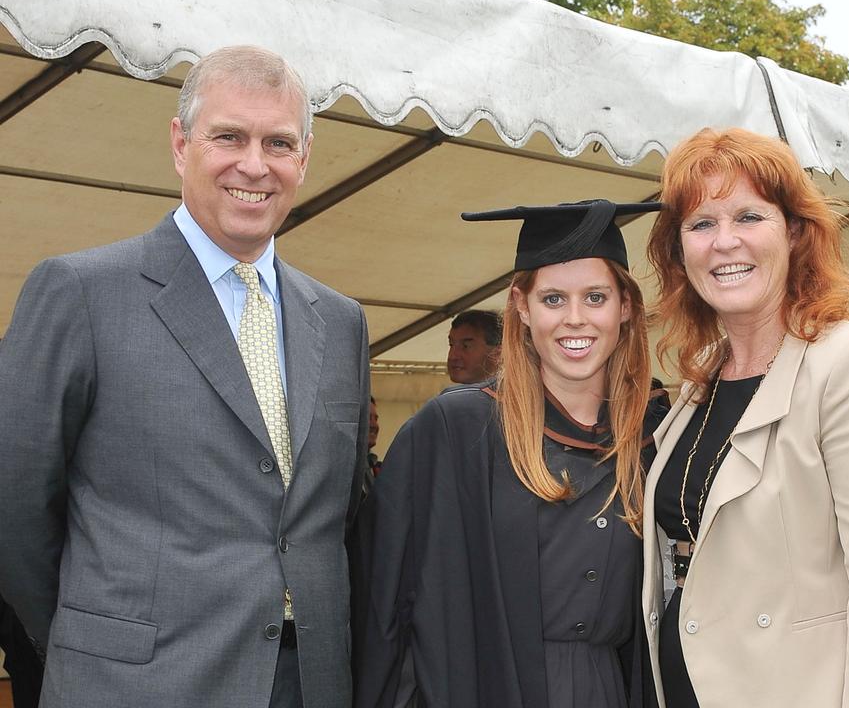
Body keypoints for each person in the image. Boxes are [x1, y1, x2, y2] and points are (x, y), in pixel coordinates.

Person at [0, 45, 369, 708]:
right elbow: (14, 503)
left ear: (305, 158)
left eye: (278, 143)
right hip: (134, 685)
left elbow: (336, 522)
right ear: (180, 144)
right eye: (229, 136)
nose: (254, 164)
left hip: (306, 685)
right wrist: (95, 635)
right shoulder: (81, 292)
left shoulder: (341, 323)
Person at [642, 127, 849, 708]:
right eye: (701, 224)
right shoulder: (702, 371)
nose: (725, 243)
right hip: (687, 683)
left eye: (749, 217)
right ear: (679, 250)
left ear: (795, 232)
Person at [353, 199, 665, 708]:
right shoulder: (458, 430)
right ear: (521, 306)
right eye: (553, 300)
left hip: (608, 689)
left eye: (595, 297)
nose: (575, 320)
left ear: (625, 307)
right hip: (483, 685)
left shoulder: (651, 439)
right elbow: (383, 595)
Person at [446, 309, 501, 384]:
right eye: (451, 345)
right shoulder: (450, 394)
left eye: (466, 346)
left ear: (498, 352)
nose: (452, 356)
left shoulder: (517, 393)